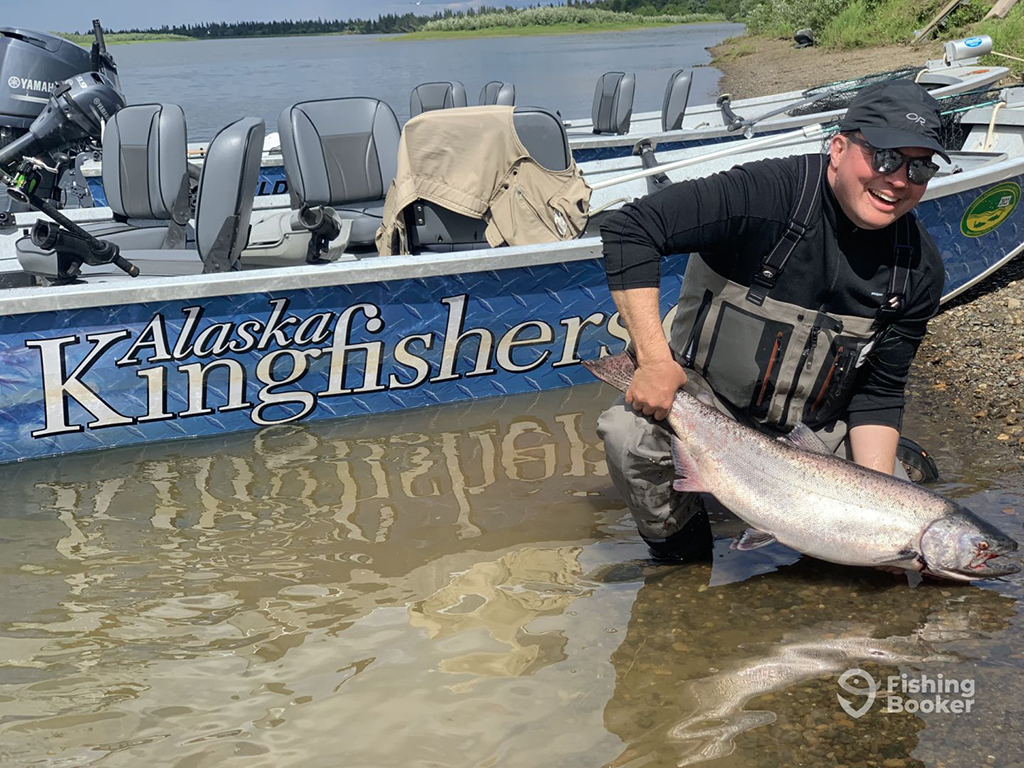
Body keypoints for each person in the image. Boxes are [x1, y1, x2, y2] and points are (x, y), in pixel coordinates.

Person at [596, 80, 947, 563]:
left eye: (921, 167)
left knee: (893, 542)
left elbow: (880, 393)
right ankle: (682, 565)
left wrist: (878, 503)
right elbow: (630, 228)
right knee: (627, 433)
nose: (900, 180)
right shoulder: (764, 195)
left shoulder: (919, 268)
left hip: (813, 435)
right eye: (886, 157)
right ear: (839, 148)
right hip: (708, 407)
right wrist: (655, 361)